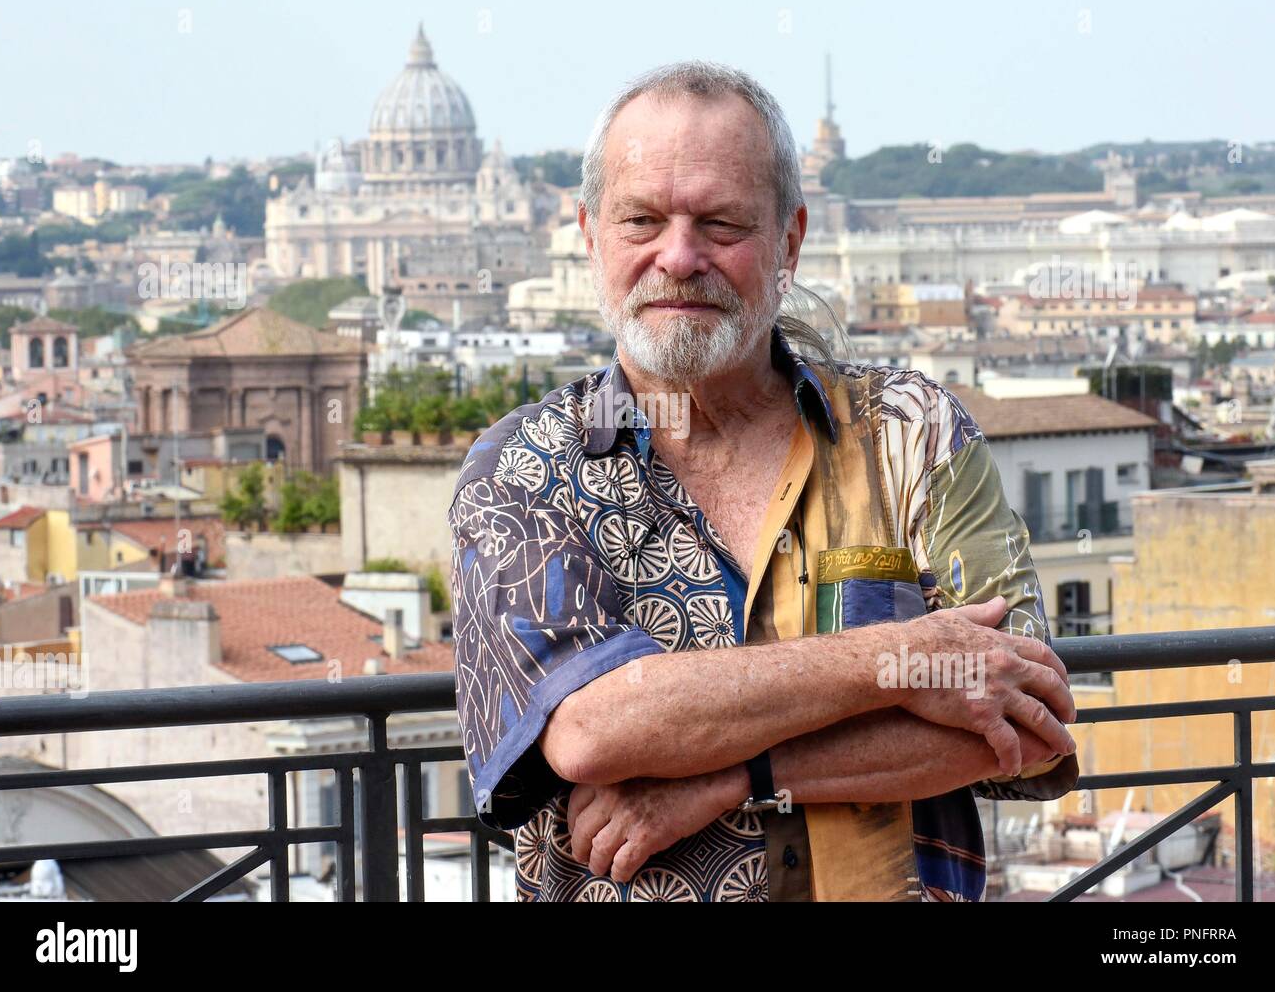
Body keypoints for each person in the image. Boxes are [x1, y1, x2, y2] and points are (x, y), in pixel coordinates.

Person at [448, 61, 1078, 902]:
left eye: (721, 223)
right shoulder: (520, 468)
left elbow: (1028, 719)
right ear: (589, 233)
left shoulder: (913, 428)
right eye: (642, 220)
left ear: (789, 239)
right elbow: (595, 727)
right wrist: (906, 656)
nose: (679, 256)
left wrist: (733, 774)